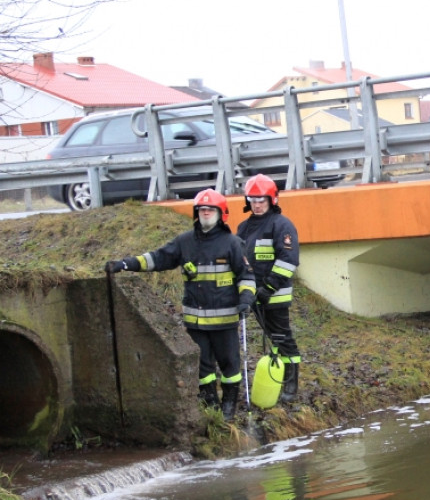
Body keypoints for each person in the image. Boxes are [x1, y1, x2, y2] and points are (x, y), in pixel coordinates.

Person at [105, 189, 256, 420]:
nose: (205, 213)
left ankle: (228, 405)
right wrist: (126, 264)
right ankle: (210, 404)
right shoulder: (184, 242)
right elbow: (157, 258)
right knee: (203, 367)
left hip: (225, 320)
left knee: (230, 365)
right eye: (201, 209)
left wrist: (246, 299)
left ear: (220, 213)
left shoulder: (233, 243)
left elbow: (246, 276)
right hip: (195, 321)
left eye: (209, 209)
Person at [236, 174, 302, 405]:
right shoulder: (243, 228)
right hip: (254, 294)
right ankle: (278, 377)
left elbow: (288, 260)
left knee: (283, 338)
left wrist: (268, 288)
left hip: (275, 294)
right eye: (253, 199)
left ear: (271, 199)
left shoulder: (281, 225)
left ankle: (291, 385)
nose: (257, 204)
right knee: (273, 338)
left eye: (261, 199)